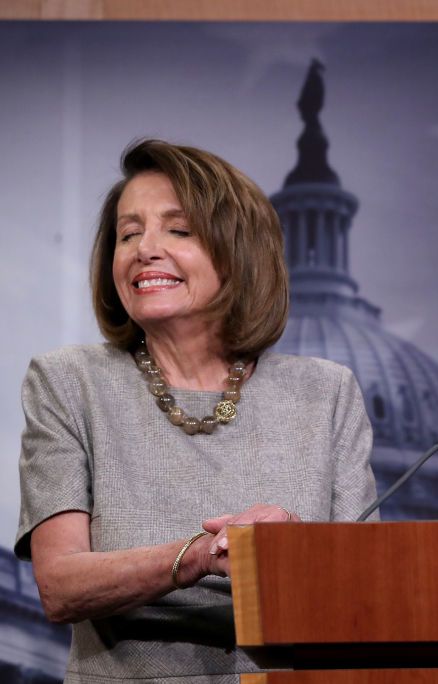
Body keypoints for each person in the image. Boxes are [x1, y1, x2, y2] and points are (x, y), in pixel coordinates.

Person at [16, 139, 378, 683]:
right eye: (128, 233)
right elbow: (60, 585)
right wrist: (203, 554)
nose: (144, 249)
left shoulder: (326, 393)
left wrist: (297, 551)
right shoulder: (68, 382)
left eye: (178, 230)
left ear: (240, 254)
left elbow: (369, 588)